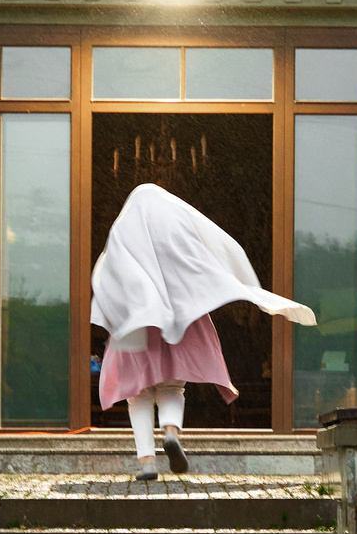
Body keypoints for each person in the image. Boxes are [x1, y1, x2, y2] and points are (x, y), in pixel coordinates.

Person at [90, 183, 313, 480]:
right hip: (179, 317)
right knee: (172, 387)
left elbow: (105, 276)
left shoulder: (122, 234)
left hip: (134, 322)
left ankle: (147, 462)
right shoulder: (177, 235)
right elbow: (206, 260)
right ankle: (170, 432)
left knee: (138, 395)